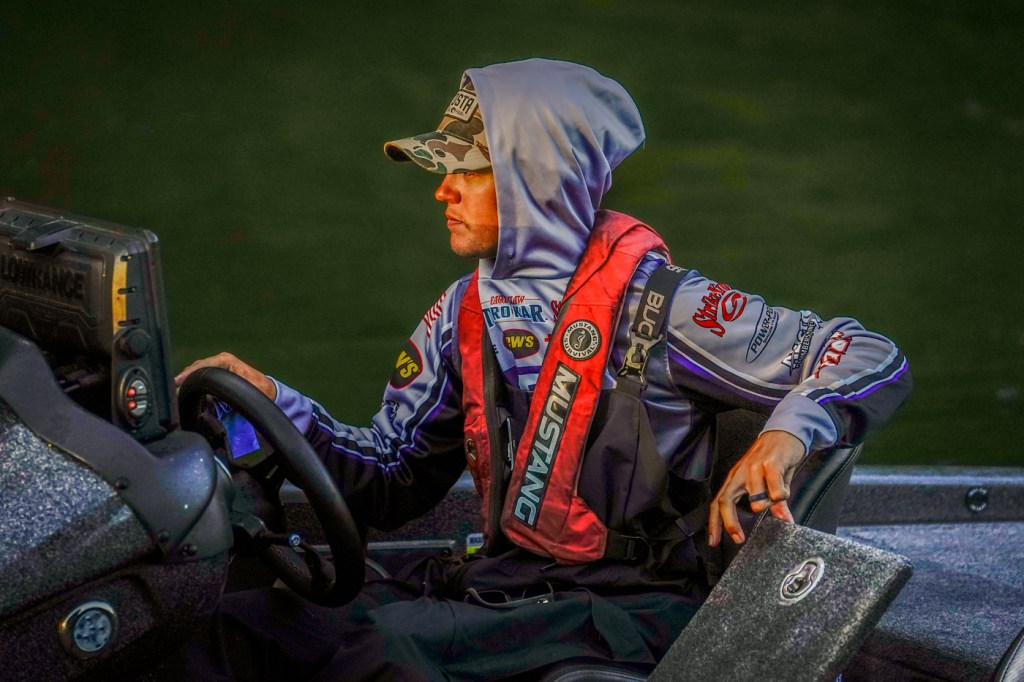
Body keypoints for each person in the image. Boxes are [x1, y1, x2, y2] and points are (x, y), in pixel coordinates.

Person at [173, 58, 912, 680]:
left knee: (381, 652)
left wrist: (787, 434)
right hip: (505, 584)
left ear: (538, 178)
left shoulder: (664, 308)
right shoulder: (462, 312)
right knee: (240, 624)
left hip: (635, 607)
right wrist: (273, 402)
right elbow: (392, 480)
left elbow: (869, 353)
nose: (441, 190)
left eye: (467, 170)